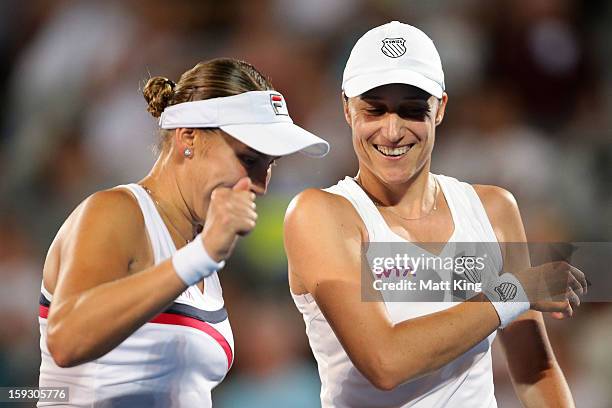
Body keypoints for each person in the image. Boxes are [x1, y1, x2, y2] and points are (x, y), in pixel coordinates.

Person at [284, 22, 587, 407]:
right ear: (346, 108)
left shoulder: (494, 209)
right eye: (374, 111)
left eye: (412, 111)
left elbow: (533, 370)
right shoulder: (319, 214)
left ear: (440, 108)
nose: (391, 131)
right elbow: (384, 362)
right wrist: (515, 291)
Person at [37, 58, 329, 407]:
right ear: (187, 136)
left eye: (269, 165)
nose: (260, 185)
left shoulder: (200, 247)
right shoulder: (116, 212)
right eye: (249, 160)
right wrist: (200, 256)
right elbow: (66, 339)